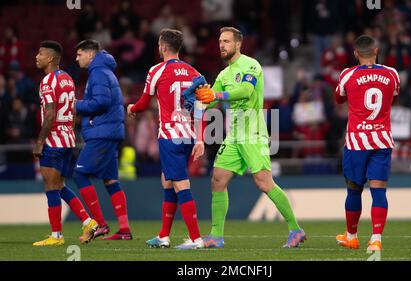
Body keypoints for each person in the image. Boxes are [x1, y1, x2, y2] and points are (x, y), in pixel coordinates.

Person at [194, 27, 306, 248]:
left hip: (253, 133)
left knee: (264, 183)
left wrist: (217, 95)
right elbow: (211, 100)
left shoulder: (251, 65)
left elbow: (245, 91)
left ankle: (296, 229)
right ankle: (216, 236)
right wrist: (198, 98)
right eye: (220, 41)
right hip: (234, 136)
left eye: (226, 41)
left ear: (238, 44)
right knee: (218, 179)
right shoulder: (224, 75)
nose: (221, 45)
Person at [127, 29, 205, 249]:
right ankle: (163, 236)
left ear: (162, 47)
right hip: (188, 135)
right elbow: (201, 108)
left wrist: (132, 108)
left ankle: (196, 239)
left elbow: (143, 102)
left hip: (170, 136)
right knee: (167, 180)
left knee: (181, 184)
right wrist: (199, 139)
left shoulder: (156, 70)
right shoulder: (194, 72)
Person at [334, 35, 400, 252]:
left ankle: (351, 236)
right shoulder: (392, 74)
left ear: (355, 53)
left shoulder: (347, 74)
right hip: (382, 139)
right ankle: (376, 239)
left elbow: (338, 98)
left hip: (357, 142)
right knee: (379, 190)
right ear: (376, 50)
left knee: (354, 190)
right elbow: (394, 96)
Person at [32, 40, 98, 246]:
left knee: (51, 187)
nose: (37, 56)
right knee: (59, 185)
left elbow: (50, 114)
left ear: (50, 58)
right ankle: (89, 222)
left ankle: (56, 236)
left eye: (40, 54)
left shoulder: (47, 81)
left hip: (54, 140)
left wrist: (39, 142)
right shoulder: (68, 79)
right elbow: (74, 109)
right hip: (68, 138)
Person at [74, 39, 132, 240]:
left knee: (79, 175)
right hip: (111, 130)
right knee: (110, 180)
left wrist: (76, 105)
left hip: (103, 132)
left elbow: (101, 102)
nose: (76, 58)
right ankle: (124, 230)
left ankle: (100, 224)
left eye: (80, 54)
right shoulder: (104, 70)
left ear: (90, 54)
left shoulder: (97, 72)